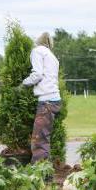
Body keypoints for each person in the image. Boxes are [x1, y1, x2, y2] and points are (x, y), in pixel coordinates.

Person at [22, 32, 61, 163]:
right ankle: (44, 174)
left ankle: (40, 176)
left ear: (38, 42)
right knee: (43, 138)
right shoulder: (52, 56)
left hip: (47, 102)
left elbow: (37, 75)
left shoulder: (37, 51)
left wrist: (23, 84)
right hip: (54, 100)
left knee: (39, 141)